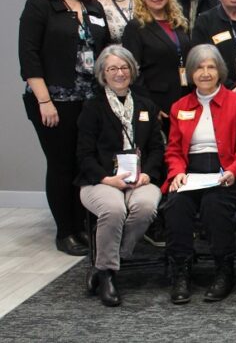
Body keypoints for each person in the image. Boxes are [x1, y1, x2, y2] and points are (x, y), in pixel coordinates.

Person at [20, 0, 112, 256]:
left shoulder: (93, 7)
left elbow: (106, 51)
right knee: (61, 164)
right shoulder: (39, 7)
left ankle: (82, 225)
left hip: (90, 101)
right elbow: (28, 56)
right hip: (55, 101)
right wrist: (45, 101)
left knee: (84, 163)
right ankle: (65, 231)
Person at [163, 45, 236, 304]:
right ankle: (181, 269)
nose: (205, 73)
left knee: (215, 205)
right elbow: (174, 149)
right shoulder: (180, 106)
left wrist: (234, 171)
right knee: (176, 204)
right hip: (190, 175)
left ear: (220, 71)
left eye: (211, 66)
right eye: (199, 67)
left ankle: (224, 269)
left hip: (225, 173)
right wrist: (177, 172)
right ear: (190, 73)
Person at [77, 45, 163, 307]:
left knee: (146, 206)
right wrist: (107, 179)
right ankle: (107, 276)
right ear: (103, 72)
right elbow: (83, 155)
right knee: (114, 209)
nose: (119, 73)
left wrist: (147, 174)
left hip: (140, 179)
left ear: (132, 70)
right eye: (112, 68)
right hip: (101, 181)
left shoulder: (146, 105)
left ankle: (110, 264)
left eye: (124, 67)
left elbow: (158, 149)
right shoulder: (93, 107)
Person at [121, 0, 192, 127]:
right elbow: (133, 71)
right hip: (157, 103)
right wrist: (149, 105)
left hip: (185, 97)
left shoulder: (179, 23)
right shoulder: (135, 27)